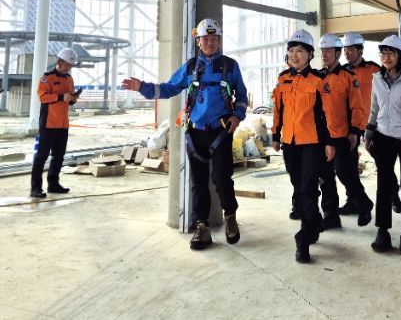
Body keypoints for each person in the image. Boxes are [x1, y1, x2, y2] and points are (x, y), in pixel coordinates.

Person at [122, 18, 248, 250]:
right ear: (198, 42)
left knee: (222, 178)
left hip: (221, 131)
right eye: (205, 39)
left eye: (214, 38)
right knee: (198, 182)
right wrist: (142, 87)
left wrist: (237, 116)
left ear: (219, 41)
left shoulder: (230, 66)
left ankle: (230, 216)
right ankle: (202, 227)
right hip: (196, 132)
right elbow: (168, 88)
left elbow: (241, 95)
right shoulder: (190, 68)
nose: (210, 42)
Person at [272, 29, 336, 263]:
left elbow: (328, 114)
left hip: (312, 143)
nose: (294, 55)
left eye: (300, 51)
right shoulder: (283, 79)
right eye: (291, 51)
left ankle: (304, 239)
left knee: (307, 190)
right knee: (299, 188)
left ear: (310, 54)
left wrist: (330, 142)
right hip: (289, 143)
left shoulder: (319, 81)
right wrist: (275, 134)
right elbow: (278, 109)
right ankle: (315, 222)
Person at [365, 35, 401, 255]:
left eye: (391, 53)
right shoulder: (376, 79)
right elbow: (374, 108)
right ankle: (382, 232)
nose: (386, 57)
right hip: (383, 137)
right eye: (383, 53)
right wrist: (368, 132)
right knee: (384, 186)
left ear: (400, 56)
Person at [339, 32, 401, 215]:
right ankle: (353, 201)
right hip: (350, 126)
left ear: (360, 50)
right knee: (348, 166)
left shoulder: (374, 70)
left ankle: (394, 196)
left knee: (383, 163)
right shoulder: (342, 72)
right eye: (345, 49)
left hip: (373, 125)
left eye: (351, 49)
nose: (347, 53)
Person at [317, 33, 374, 229]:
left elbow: (357, 106)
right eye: (322, 51)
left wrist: (355, 131)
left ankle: (363, 203)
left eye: (328, 51)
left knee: (345, 172)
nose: (324, 55)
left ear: (337, 53)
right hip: (324, 135)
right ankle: (330, 215)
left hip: (343, 134)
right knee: (325, 176)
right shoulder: (319, 77)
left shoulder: (348, 77)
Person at [30, 48, 80, 198]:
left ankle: (53, 185)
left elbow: (68, 99)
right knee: (41, 156)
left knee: (59, 156)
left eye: (71, 66)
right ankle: (35, 188)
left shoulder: (69, 79)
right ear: (59, 61)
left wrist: (73, 99)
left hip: (63, 124)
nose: (68, 68)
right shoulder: (47, 78)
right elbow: (42, 97)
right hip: (48, 123)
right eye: (67, 65)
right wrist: (61, 97)